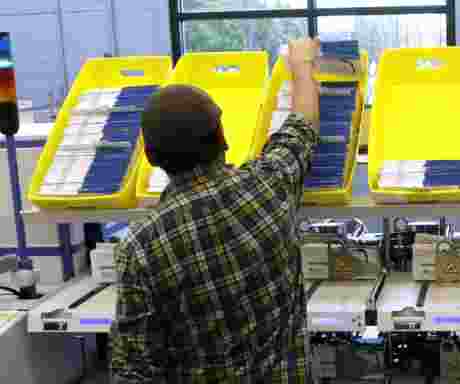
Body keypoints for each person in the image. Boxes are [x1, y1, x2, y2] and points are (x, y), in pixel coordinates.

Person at [109, 37, 322, 383]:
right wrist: (301, 64)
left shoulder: (141, 246)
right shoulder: (268, 186)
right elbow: (303, 125)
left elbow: (133, 369)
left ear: (149, 156)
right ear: (222, 135)